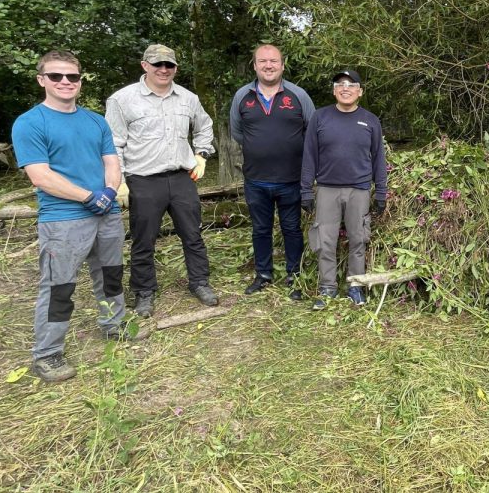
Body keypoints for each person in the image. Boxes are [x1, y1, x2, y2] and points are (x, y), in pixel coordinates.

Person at [12, 50, 125, 382]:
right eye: (56, 76)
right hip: (62, 219)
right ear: (41, 80)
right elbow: (40, 175)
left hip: (107, 212)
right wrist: (87, 196)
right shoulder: (31, 123)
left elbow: (111, 161)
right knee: (59, 287)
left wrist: (109, 191)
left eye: (72, 76)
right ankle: (47, 354)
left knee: (112, 275)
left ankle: (114, 326)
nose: (65, 82)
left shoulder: (94, 120)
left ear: (80, 79)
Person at [105, 44, 219, 318]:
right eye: (158, 64)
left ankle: (200, 283)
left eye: (169, 65)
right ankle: (144, 291)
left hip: (181, 178)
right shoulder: (122, 100)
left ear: (176, 68)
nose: (164, 70)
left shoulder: (188, 98)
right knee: (144, 239)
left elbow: (204, 127)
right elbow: (113, 142)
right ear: (145, 65)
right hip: (143, 179)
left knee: (193, 235)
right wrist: (118, 180)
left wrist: (201, 154)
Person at [229, 44, 315, 299]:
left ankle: (294, 275)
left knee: (292, 229)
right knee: (260, 229)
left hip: (291, 179)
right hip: (256, 179)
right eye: (263, 61)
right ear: (254, 65)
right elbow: (237, 132)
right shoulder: (242, 96)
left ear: (282, 65)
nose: (268, 65)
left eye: (274, 61)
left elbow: (311, 130)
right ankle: (263, 274)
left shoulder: (298, 95)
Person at [300, 69, 387, 310]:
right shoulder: (320, 117)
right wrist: (306, 190)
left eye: (351, 84)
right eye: (340, 83)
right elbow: (309, 156)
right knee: (324, 241)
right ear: (334, 90)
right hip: (327, 189)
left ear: (360, 91)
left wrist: (381, 192)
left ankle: (355, 286)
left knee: (358, 239)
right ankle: (327, 287)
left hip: (359, 189)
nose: (345, 87)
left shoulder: (370, 120)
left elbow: (379, 158)